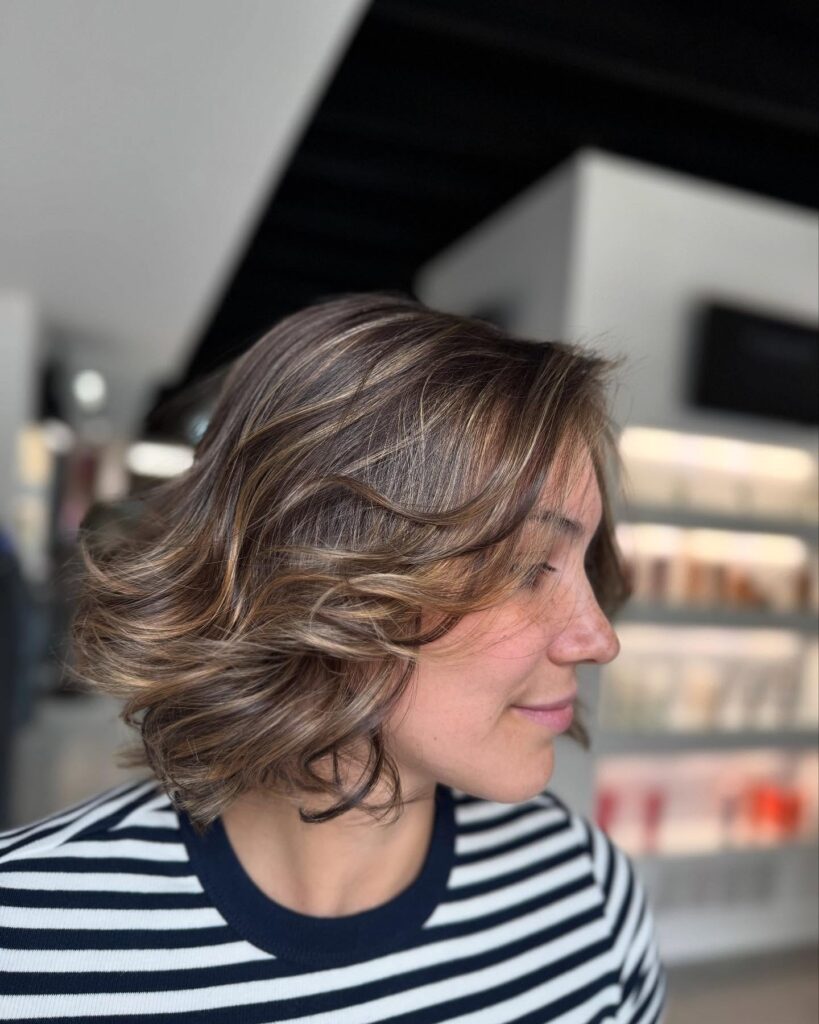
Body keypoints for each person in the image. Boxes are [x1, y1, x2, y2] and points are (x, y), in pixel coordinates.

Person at [0, 292, 667, 1022]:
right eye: (527, 565)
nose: (598, 638)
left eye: (583, 567)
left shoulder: (585, 897)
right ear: (321, 576)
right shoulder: (30, 939)